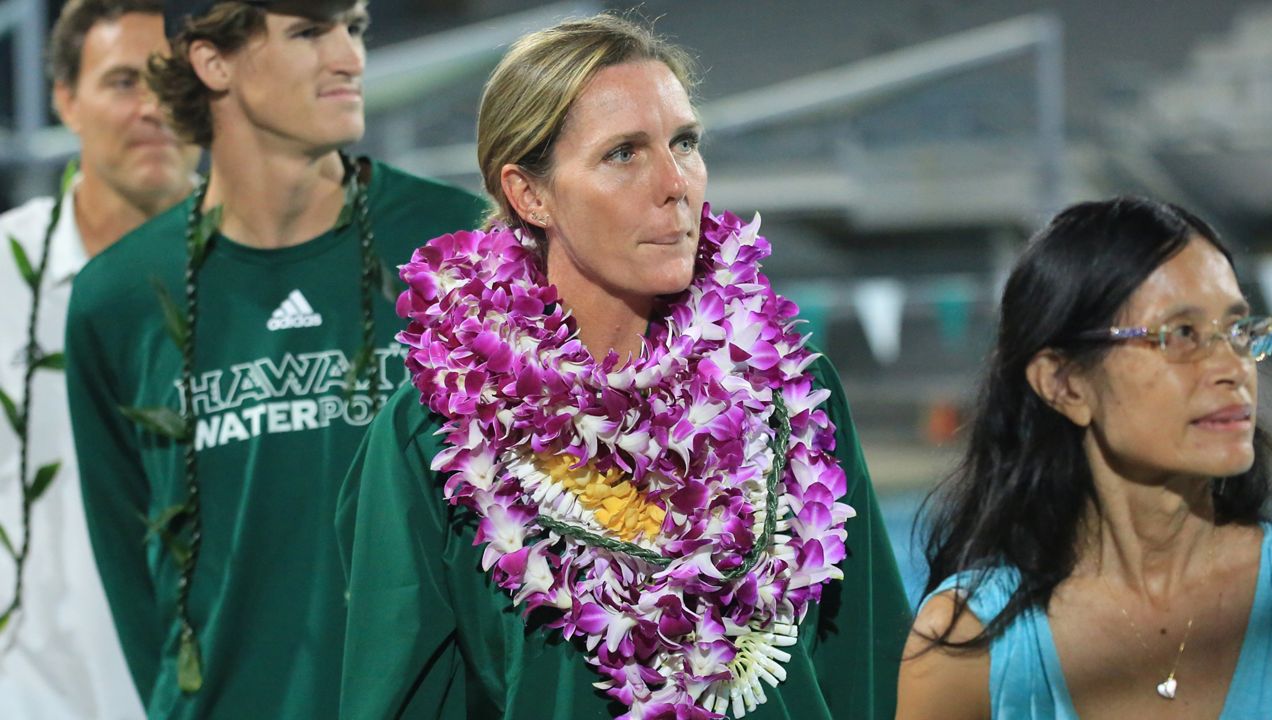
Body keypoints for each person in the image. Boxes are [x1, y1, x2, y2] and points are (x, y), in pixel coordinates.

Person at [337, 14, 911, 720]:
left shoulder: (795, 392)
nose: (675, 184)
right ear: (529, 194)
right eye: (623, 154)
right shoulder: (435, 433)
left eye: (685, 143)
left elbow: (872, 672)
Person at [63, 0, 487, 717]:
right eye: (308, 32)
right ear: (212, 59)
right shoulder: (117, 299)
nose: (349, 57)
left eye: (354, 28)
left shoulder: (458, 249)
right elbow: (133, 579)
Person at [897, 197, 1272, 719]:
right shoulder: (971, 644)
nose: (1230, 367)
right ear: (1065, 383)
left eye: (1238, 330)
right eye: (1182, 335)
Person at [0, 1, 197, 717]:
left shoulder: (271, 280)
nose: (153, 107)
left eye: (172, 82)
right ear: (65, 102)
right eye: (122, 82)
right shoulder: (3, 273)